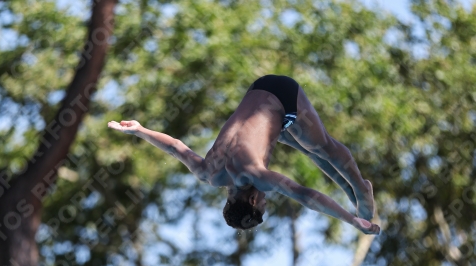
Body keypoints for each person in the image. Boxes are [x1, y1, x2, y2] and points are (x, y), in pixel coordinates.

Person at [108, 74, 379, 234]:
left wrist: (350, 220)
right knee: (304, 147)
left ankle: (360, 188)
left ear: (251, 199)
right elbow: (175, 146)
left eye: (263, 202)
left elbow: (305, 195)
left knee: (322, 147)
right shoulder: (208, 173)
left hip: (283, 97)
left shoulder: (256, 176)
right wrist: (141, 130)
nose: (265, 198)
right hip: (259, 88)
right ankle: (350, 188)